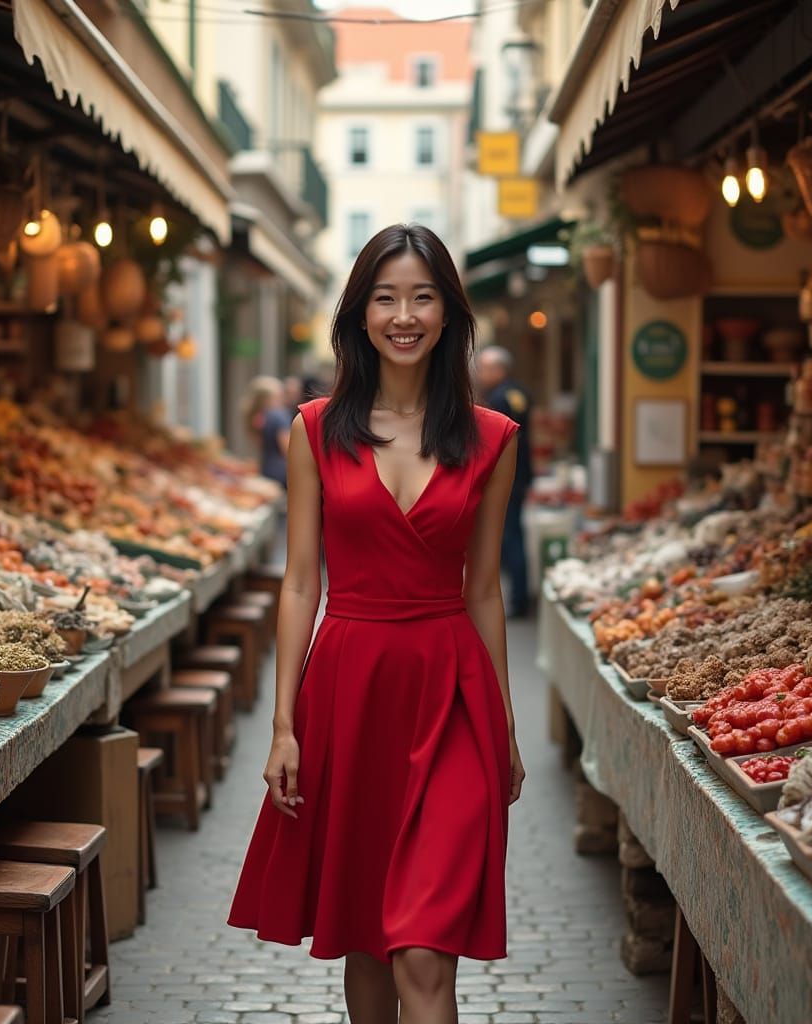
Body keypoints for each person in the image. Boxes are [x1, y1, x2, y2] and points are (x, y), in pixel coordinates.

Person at [227, 224, 525, 1024]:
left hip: (452, 691)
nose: (404, 314)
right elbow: (299, 584)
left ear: (448, 315)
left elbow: (486, 590)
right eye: (386, 297)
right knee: (362, 941)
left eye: (423, 297)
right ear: (359, 313)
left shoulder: (493, 438)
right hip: (348, 690)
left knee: (424, 954)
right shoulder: (314, 430)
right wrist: (284, 726)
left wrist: (504, 723)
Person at [476, 346, 533, 618]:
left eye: (486, 369)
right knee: (513, 534)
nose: (482, 374)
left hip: (509, 477)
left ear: (500, 369)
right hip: (521, 474)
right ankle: (519, 596)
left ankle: (517, 598)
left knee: (509, 537)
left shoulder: (500, 398)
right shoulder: (518, 392)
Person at [240, 375, 291, 488]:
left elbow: (259, 443)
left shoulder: (257, 417)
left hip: (266, 467)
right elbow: (287, 449)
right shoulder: (279, 416)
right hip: (282, 470)